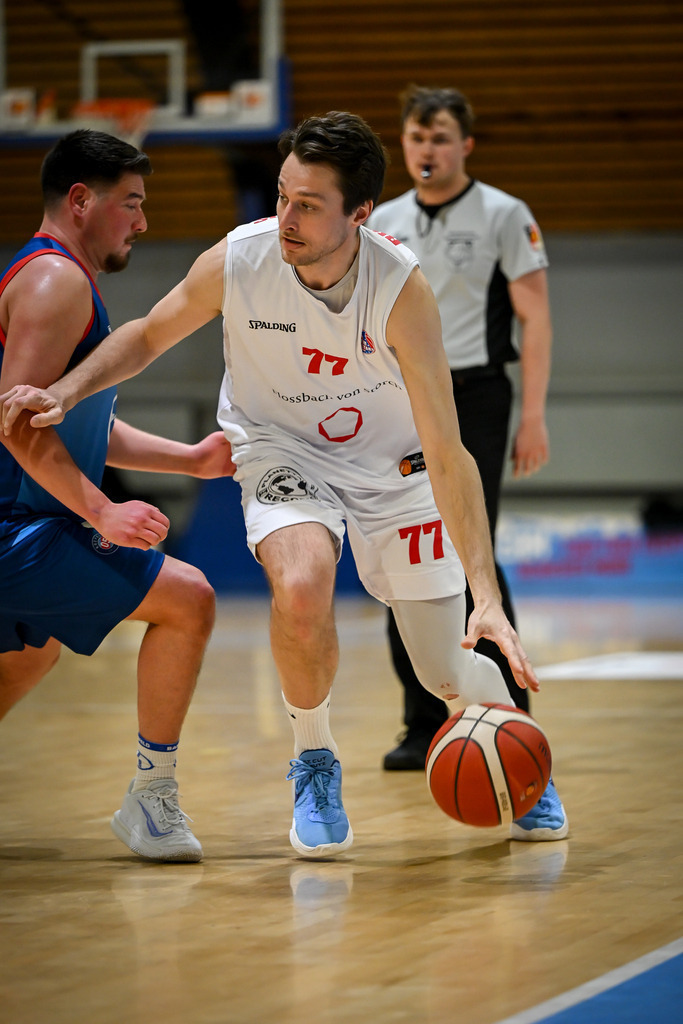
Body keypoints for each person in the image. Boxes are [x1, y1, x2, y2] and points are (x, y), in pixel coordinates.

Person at [0, 112, 563, 859]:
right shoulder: (240, 258)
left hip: (393, 465)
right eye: (282, 195)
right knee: (301, 584)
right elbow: (145, 335)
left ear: (358, 214)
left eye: (307, 204)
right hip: (279, 447)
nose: (285, 218)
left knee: (440, 669)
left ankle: (513, 749)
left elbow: (447, 448)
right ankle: (313, 758)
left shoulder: (399, 288)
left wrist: (485, 595)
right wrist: (66, 392)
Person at [0, 130, 236, 863]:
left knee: (31, 656)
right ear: (81, 200)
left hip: (24, 520)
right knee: (188, 599)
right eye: (130, 203)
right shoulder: (55, 283)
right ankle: (151, 801)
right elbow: (16, 425)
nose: (141, 221)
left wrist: (190, 460)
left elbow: (74, 421)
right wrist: (101, 510)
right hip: (16, 528)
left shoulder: (58, 276)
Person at [367, 86, 561, 818]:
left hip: (476, 392)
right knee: (401, 546)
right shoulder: (381, 220)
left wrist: (532, 414)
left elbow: (535, 319)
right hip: (395, 394)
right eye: (416, 136)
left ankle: (508, 713)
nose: (426, 149)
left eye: (440, 137)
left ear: (464, 146)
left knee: (464, 544)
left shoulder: (505, 214)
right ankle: (424, 722)